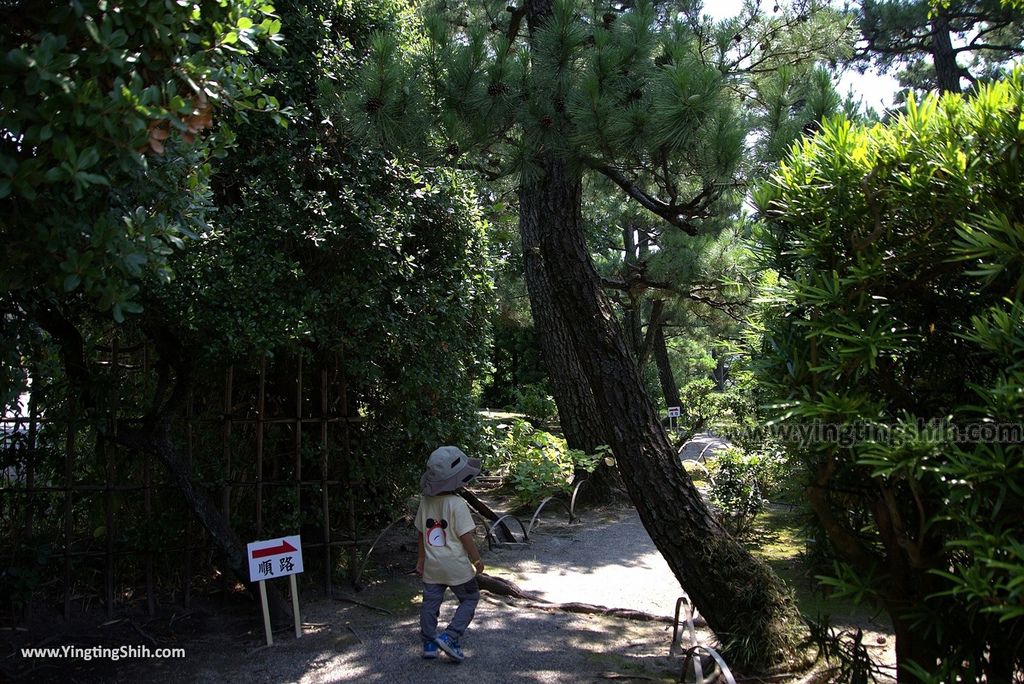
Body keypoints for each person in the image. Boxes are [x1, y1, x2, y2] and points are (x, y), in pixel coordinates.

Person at [415, 445, 485, 662]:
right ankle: (451, 635)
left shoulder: (426, 502)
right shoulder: (457, 504)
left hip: (433, 566)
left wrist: (421, 559)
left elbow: (421, 533)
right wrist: (477, 560)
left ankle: (429, 642)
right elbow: (466, 537)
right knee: (470, 597)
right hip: (456, 565)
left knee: (430, 603)